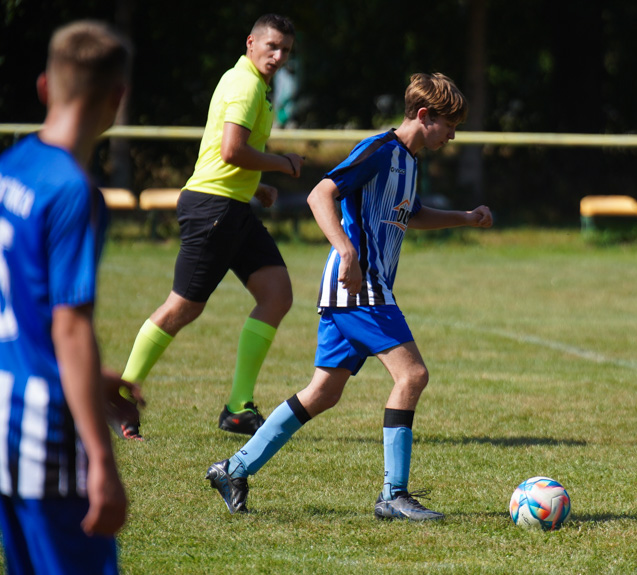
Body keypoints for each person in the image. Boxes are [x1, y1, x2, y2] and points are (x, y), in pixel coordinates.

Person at [206, 72, 493, 521]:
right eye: (449, 125)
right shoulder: (379, 151)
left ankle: (233, 468)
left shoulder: (411, 162)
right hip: (360, 286)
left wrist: (464, 217)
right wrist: (346, 251)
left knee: (322, 392)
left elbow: (409, 214)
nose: (452, 135)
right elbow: (321, 194)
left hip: (354, 289)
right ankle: (393, 495)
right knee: (412, 375)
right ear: (424, 115)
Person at [120, 14, 305, 439]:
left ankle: (238, 409)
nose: (278, 56)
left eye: (286, 51)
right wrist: (283, 163)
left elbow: (227, 153)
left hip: (233, 207)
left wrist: (257, 188)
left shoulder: (254, 84)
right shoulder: (244, 84)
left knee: (276, 293)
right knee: (183, 307)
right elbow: (231, 149)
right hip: (213, 209)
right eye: (272, 46)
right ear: (251, 43)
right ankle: (120, 395)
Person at [0, 20, 133, 574]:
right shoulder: (73, 192)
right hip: (42, 430)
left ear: (44, 87)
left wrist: (82, 374)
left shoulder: (10, 169)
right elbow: (70, 326)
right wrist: (101, 458)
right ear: (117, 98)